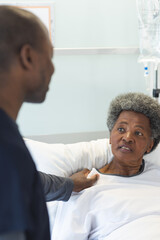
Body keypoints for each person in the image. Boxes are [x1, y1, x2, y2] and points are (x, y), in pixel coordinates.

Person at [0, 5, 98, 240]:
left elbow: (22, 182)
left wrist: (67, 185)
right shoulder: (6, 150)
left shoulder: (8, 140)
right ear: (28, 57)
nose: (53, 69)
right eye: (50, 58)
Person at [51, 92, 160, 240]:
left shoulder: (156, 175)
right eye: (121, 129)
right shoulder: (84, 186)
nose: (127, 138)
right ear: (110, 136)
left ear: (150, 145)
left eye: (138, 133)